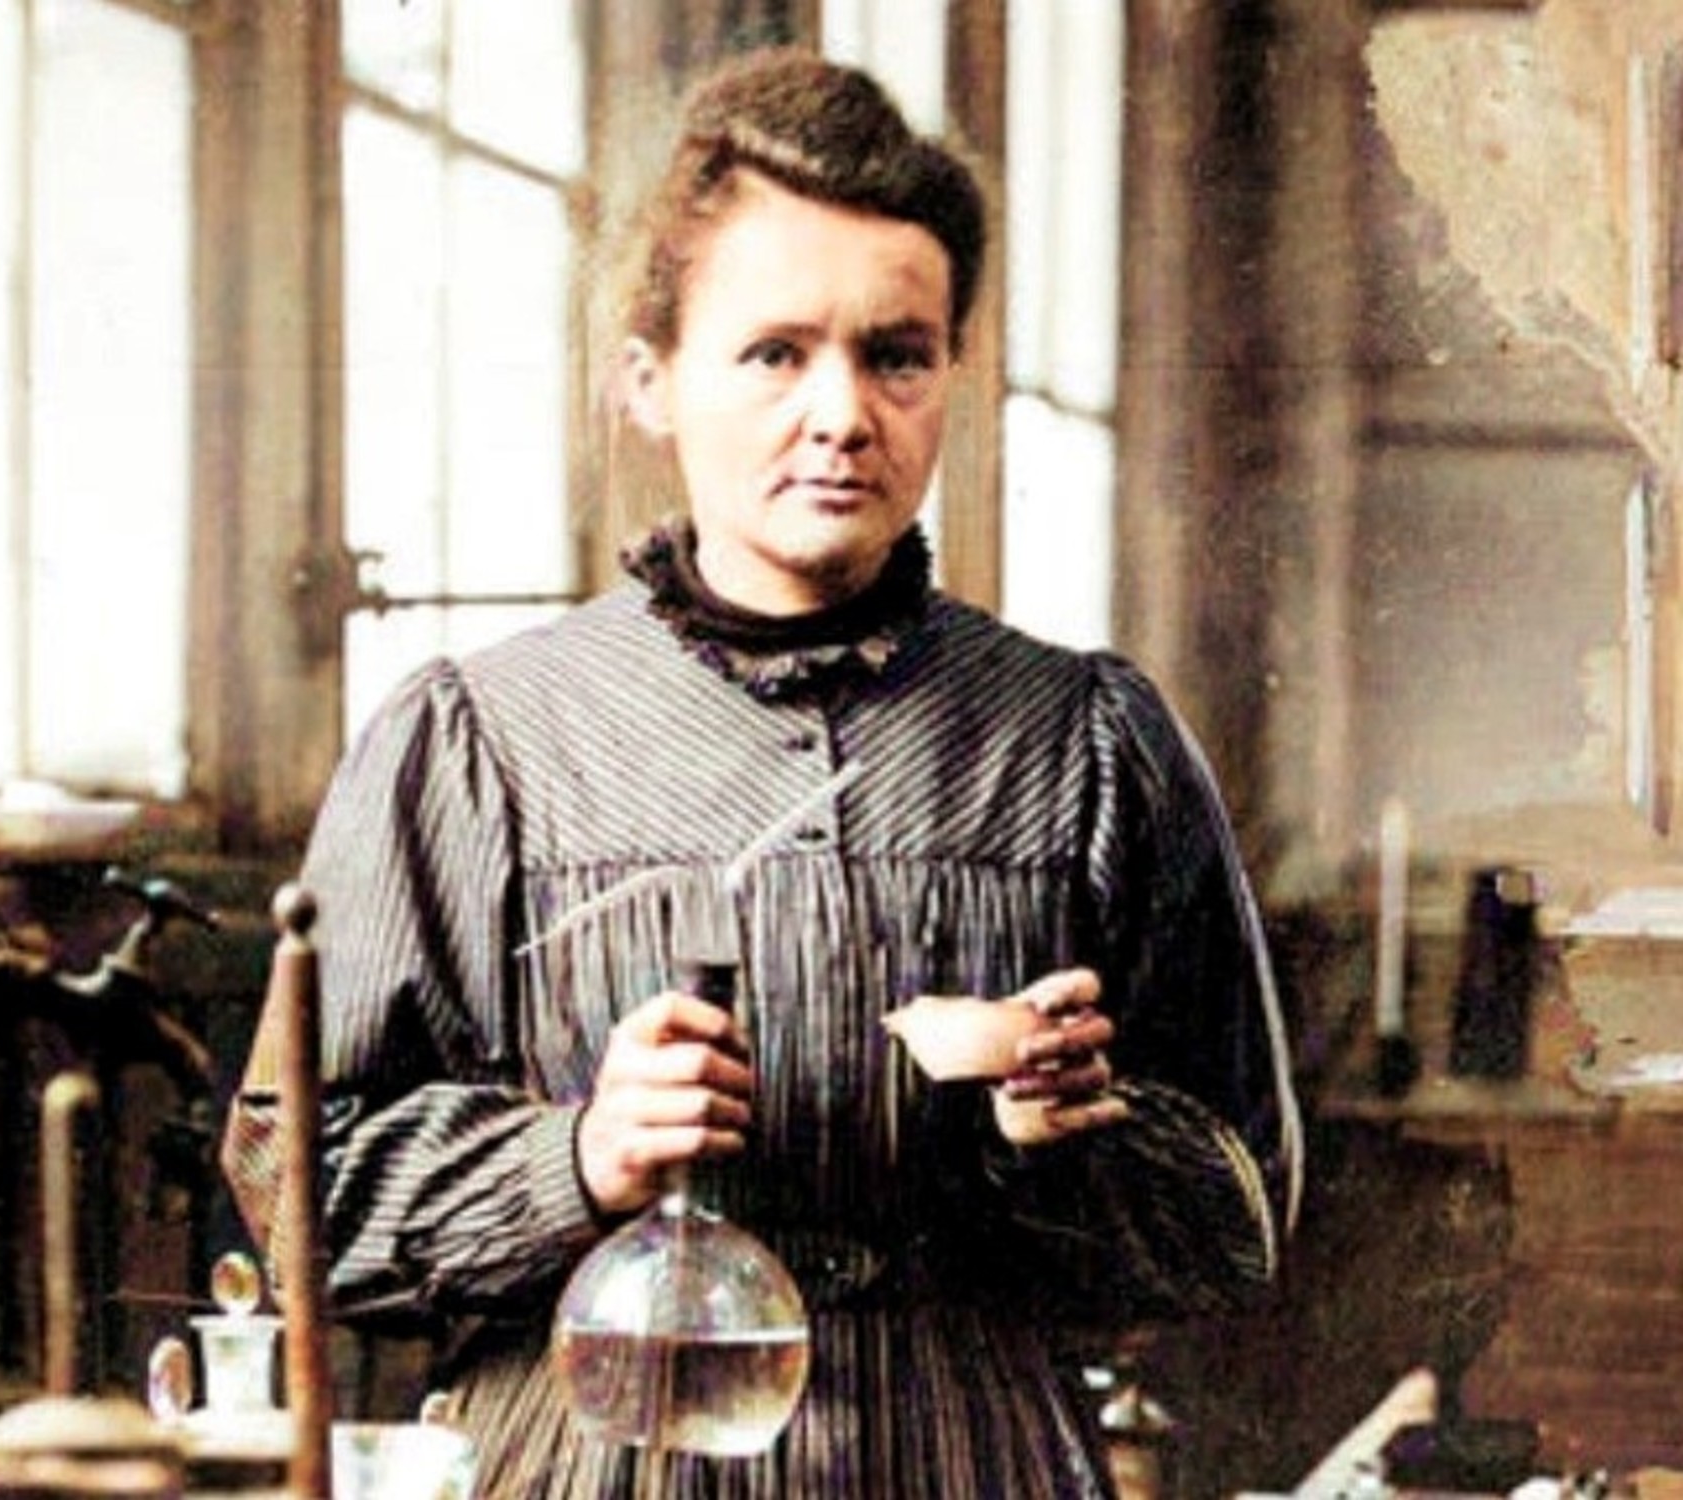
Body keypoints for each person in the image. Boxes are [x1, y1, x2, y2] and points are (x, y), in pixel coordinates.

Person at [224, 46, 1302, 1499]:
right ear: (651, 380)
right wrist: (578, 1161)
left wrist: (1059, 1144)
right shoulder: (476, 742)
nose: (842, 413)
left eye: (897, 354)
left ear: (953, 374)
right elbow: (293, 1195)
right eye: (776, 353)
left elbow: (1240, 1223)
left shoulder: (1090, 741)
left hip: (968, 1464)